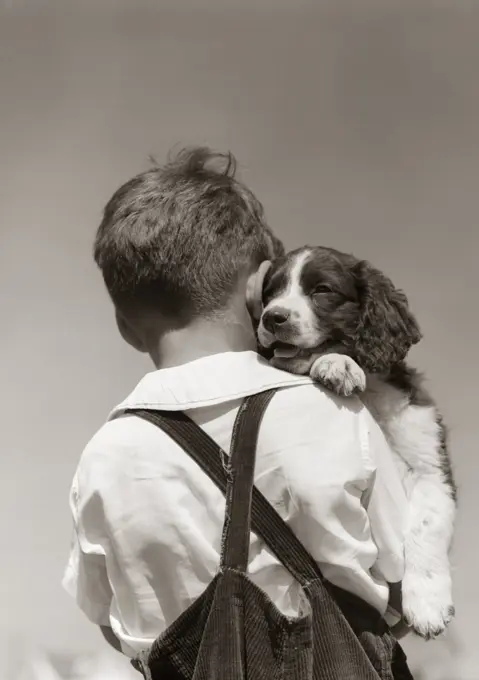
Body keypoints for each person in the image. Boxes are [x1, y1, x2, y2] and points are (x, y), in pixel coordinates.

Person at [62, 146, 412, 674]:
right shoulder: (334, 411)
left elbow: (111, 626)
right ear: (260, 286)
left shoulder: (104, 457)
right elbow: (405, 590)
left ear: (124, 325)